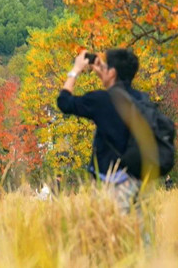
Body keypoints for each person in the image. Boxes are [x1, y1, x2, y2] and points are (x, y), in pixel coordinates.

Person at [56, 48, 146, 213]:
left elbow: (64, 101)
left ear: (112, 73)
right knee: (137, 233)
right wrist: (102, 72)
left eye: (106, 67)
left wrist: (75, 70)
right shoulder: (142, 99)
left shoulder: (101, 100)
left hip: (110, 183)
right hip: (139, 182)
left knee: (111, 234)